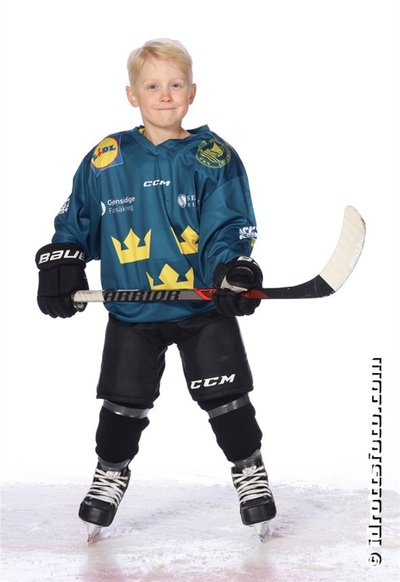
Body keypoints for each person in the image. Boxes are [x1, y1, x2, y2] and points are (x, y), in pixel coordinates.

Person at [35, 38, 277, 541]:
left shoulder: (213, 157)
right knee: (121, 406)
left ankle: (248, 468)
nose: (164, 95)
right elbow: (77, 218)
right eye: (151, 86)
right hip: (132, 313)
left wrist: (232, 270)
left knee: (228, 400)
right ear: (132, 94)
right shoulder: (107, 158)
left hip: (200, 308)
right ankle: (111, 472)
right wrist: (62, 259)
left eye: (175, 85)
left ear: (192, 92)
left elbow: (227, 226)